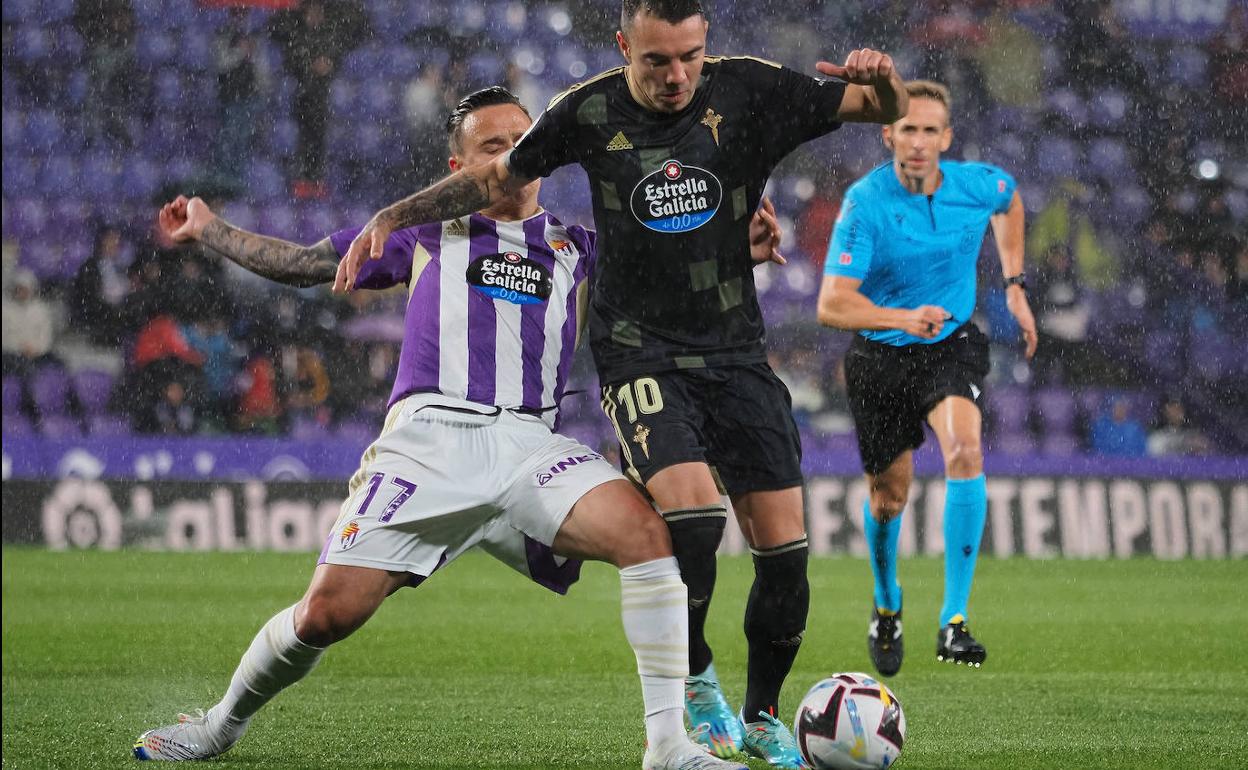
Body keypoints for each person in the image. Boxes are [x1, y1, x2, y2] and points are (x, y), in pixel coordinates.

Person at [133, 86, 783, 770]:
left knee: (650, 537)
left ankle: (669, 748)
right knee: (326, 614)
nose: (512, 158)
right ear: (457, 167)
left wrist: (742, 248)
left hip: (532, 446)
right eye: (492, 147)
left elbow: (676, 273)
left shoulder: (581, 246)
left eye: (521, 143)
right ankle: (218, 726)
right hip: (428, 444)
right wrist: (208, 228)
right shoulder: (421, 233)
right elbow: (303, 264)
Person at [337, 2, 907, 765]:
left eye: (689, 57)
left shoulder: (751, 89)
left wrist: (887, 82)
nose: (676, 76)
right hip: (640, 353)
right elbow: (499, 178)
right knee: (696, 518)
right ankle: (696, 678)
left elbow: (877, 107)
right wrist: (395, 214)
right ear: (623, 48)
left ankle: (764, 714)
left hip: (736, 352)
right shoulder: (588, 110)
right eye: (656, 61)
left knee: (784, 549)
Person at [816, 80, 1037, 678]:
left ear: (947, 137)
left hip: (949, 343)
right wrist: (899, 317)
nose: (918, 141)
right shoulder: (866, 202)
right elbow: (833, 305)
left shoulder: (975, 184)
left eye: (929, 130)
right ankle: (887, 603)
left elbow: (1010, 201)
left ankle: (954, 621)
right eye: (907, 129)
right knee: (890, 497)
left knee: (965, 451)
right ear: (888, 133)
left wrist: (1014, 286)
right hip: (881, 354)